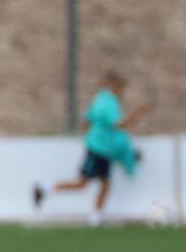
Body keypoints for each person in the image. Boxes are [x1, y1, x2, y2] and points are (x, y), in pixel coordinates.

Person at [34, 71, 148, 225]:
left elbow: (87, 119)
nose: (122, 93)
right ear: (115, 86)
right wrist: (137, 113)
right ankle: (45, 188)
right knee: (84, 183)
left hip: (100, 147)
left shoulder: (99, 100)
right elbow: (118, 124)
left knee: (103, 183)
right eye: (121, 89)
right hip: (99, 149)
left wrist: (88, 134)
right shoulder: (109, 103)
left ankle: (95, 215)